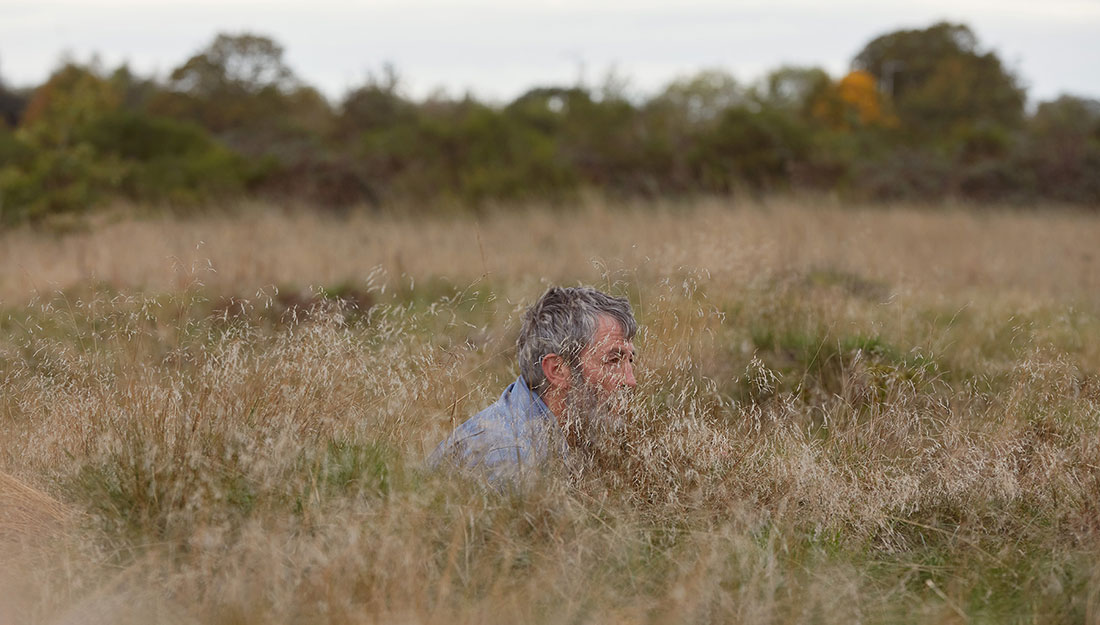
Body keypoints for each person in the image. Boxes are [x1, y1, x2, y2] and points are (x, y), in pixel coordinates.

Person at [430, 286, 638, 485]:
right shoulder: (509, 458)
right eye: (613, 361)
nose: (630, 381)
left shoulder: (578, 429)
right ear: (557, 370)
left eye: (629, 360)